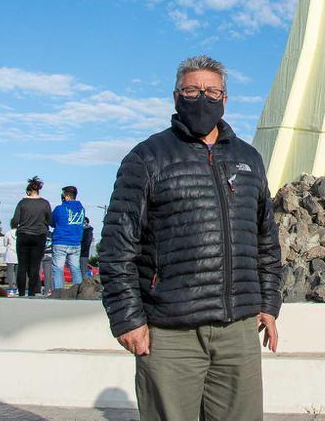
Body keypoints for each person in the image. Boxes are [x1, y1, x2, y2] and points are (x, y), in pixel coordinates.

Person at [101, 55, 283, 421]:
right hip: (169, 334)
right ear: (175, 97)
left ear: (225, 99)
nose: (202, 98)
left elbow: (266, 240)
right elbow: (116, 248)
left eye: (212, 91)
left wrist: (268, 303)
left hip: (237, 333)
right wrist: (127, 319)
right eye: (192, 90)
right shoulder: (147, 158)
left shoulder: (249, 159)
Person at [10, 176, 51, 297]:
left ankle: (21, 293)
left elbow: (15, 221)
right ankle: (32, 292)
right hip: (39, 236)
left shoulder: (22, 203)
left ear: (28, 191)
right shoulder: (45, 203)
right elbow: (50, 220)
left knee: (22, 266)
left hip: (23, 235)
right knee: (35, 266)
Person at [50, 186, 85, 289]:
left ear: (67, 196)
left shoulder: (60, 209)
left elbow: (52, 222)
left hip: (60, 241)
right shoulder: (82, 210)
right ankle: (78, 291)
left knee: (58, 269)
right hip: (76, 242)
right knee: (75, 269)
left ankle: (59, 292)